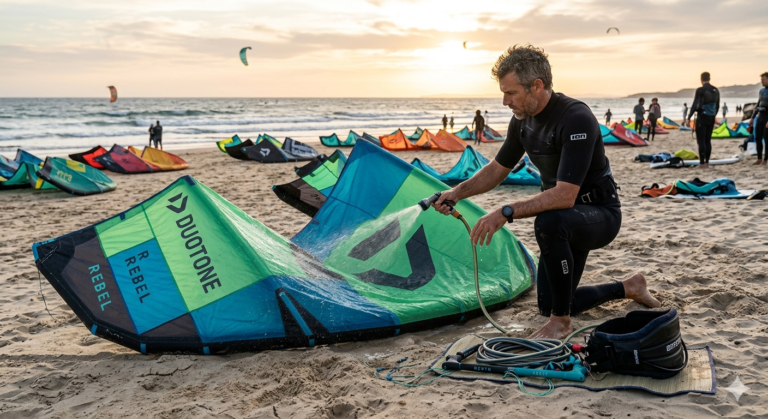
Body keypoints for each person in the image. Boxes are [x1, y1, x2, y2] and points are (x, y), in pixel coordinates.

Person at [432, 45, 660, 339]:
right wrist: (457, 192)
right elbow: (497, 169)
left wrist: (505, 212)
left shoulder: (576, 117)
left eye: (511, 93)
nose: (504, 101)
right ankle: (629, 287)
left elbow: (565, 195)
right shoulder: (521, 122)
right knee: (549, 304)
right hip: (564, 217)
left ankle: (561, 323)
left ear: (536, 86)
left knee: (549, 223)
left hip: (598, 214)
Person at [685, 72, 719, 169]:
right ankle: (707, 163)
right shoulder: (716, 90)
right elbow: (717, 105)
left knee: (701, 141)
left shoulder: (700, 90)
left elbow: (695, 104)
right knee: (708, 140)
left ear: (701, 79)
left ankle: (702, 163)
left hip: (702, 117)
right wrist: (713, 116)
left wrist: (688, 117)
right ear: (709, 78)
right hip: (711, 117)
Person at [747, 72, 768, 165]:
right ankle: (759, 158)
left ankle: (765, 160)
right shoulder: (761, 91)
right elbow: (758, 104)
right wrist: (752, 117)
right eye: (761, 80)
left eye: (763, 79)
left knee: (767, 139)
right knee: (757, 137)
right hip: (760, 116)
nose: (762, 81)